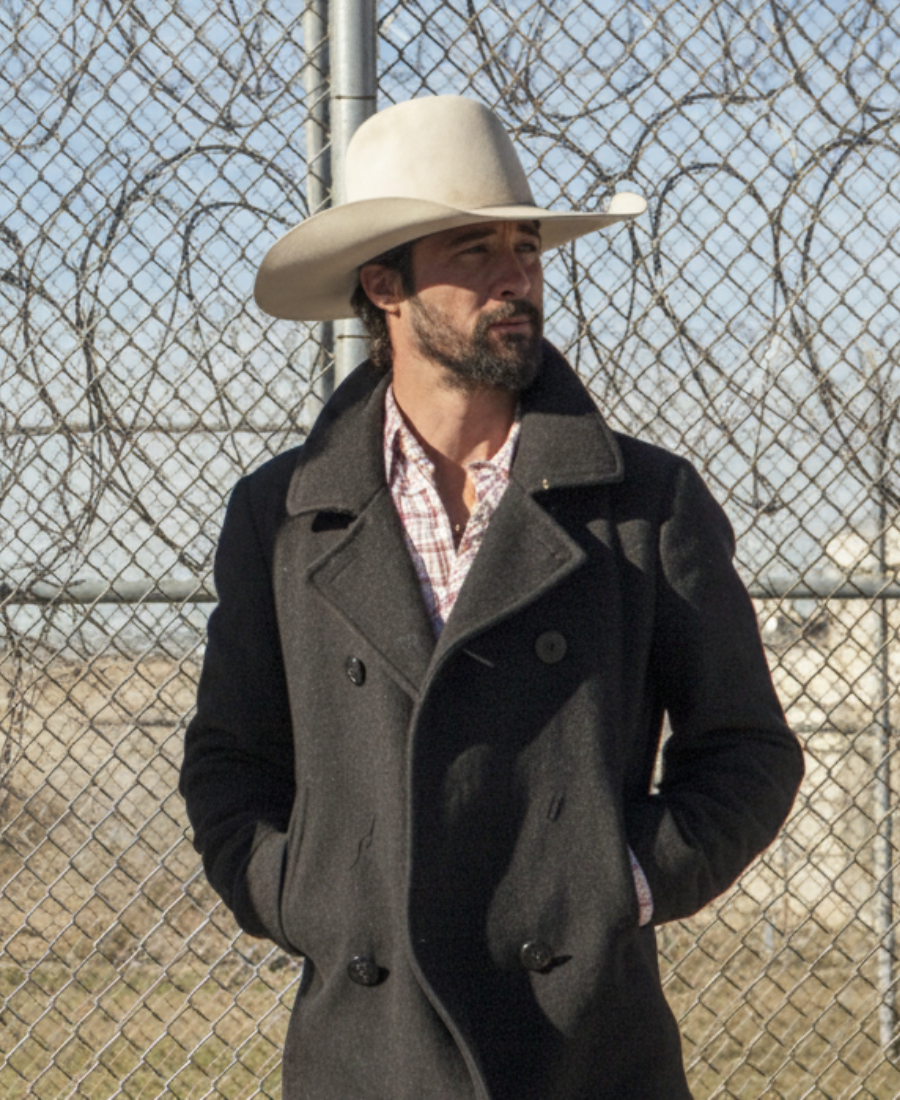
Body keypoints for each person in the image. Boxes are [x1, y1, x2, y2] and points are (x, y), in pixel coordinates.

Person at [180, 96, 803, 1100]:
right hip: (366, 1051)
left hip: (586, 1047)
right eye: (475, 251)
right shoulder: (283, 517)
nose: (517, 276)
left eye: (527, 247)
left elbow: (749, 749)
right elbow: (228, 757)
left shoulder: (642, 504)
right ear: (384, 283)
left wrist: (619, 880)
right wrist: (309, 896)